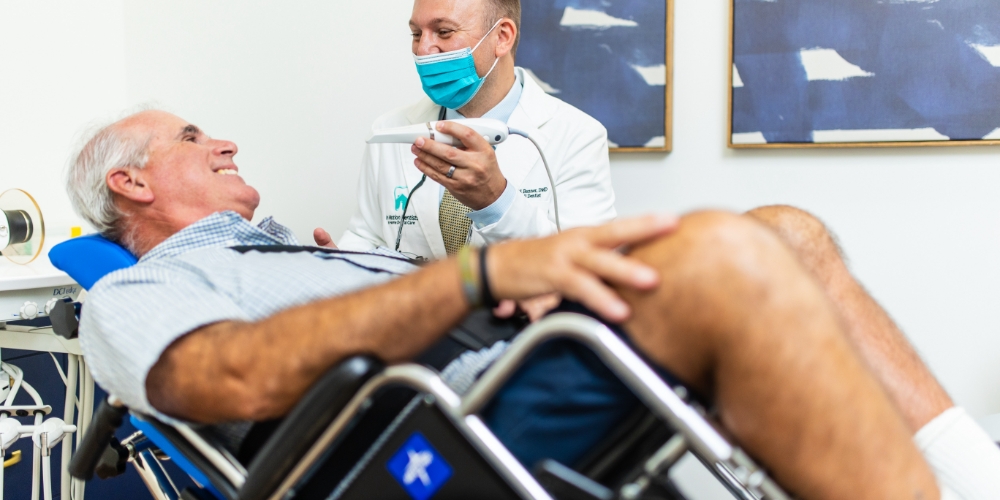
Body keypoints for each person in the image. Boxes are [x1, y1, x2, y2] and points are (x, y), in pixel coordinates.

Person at [66, 110, 1000, 500]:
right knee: (727, 255)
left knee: (787, 232)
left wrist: (492, 251)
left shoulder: (302, 246)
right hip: (442, 424)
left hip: (516, 351)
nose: (224, 139)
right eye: (194, 137)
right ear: (131, 181)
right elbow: (220, 372)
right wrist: (467, 279)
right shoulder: (143, 289)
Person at [332, 0, 616, 259]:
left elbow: (586, 263)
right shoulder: (389, 130)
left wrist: (496, 200)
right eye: (416, 34)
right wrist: (340, 266)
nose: (422, 50)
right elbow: (367, 235)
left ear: (502, 37)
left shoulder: (578, 136)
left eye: (443, 32)